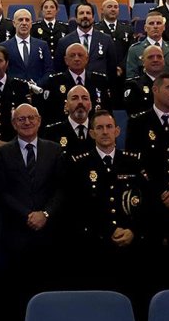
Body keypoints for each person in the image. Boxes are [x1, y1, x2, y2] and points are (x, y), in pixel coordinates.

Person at [0, 104, 63, 321]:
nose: (27, 122)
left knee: (47, 293)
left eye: (31, 118)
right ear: (14, 124)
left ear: (39, 120)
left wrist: (45, 214)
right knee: (18, 295)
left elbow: (61, 189)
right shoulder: (3, 153)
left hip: (48, 235)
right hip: (16, 235)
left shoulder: (54, 150)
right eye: (21, 119)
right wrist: (27, 214)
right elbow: (1, 192)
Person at [61, 110, 145, 296]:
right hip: (95, 247)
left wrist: (133, 230)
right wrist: (108, 231)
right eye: (99, 128)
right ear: (92, 133)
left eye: (109, 127)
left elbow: (144, 203)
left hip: (131, 245)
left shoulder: (133, 162)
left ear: (117, 131)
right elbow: (76, 208)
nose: (105, 132)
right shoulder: (79, 164)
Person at [124, 74, 169, 288]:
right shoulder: (138, 122)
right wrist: (161, 193)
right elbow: (135, 163)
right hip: (151, 204)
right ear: (155, 90)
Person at [53, 3, 119, 83]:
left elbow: (112, 70)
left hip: (99, 86)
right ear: (76, 18)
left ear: (93, 18)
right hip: (73, 87)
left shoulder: (106, 40)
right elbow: (59, 70)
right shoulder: (64, 42)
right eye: (81, 13)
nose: (85, 16)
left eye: (88, 13)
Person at [39, 42, 110, 115]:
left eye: (80, 55)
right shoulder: (54, 82)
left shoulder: (100, 80)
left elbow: (107, 111)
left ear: (87, 59)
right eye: (72, 55)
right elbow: (49, 112)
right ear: (66, 60)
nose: (76, 59)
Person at [124, 13, 169, 79]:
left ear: (164, 27)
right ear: (145, 28)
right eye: (151, 23)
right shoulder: (135, 50)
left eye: (158, 23)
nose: (155, 26)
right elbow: (132, 78)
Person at [40, 84, 93, 155]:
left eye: (85, 98)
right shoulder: (52, 132)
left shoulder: (99, 129)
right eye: (75, 98)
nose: (80, 102)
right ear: (66, 105)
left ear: (90, 105)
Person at [2, 8, 52, 83]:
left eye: (27, 20)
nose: (24, 23)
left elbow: (49, 70)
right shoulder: (4, 47)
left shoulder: (42, 45)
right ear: (14, 23)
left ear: (31, 24)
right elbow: (2, 71)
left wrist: (37, 85)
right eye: (20, 20)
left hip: (38, 88)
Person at [123, 45, 168, 115]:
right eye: (150, 57)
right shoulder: (134, 85)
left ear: (164, 61)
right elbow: (132, 112)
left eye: (159, 57)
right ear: (143, 62)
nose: (155, 60)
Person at [95, 0, 135, 66]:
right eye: (109, 7)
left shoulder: (127, 29)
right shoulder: (95, 29)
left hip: (123, 69)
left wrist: (121, 67)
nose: (113, 9)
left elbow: (131, 50)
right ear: (102, 10)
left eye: (116, 7)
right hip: (103, 68)